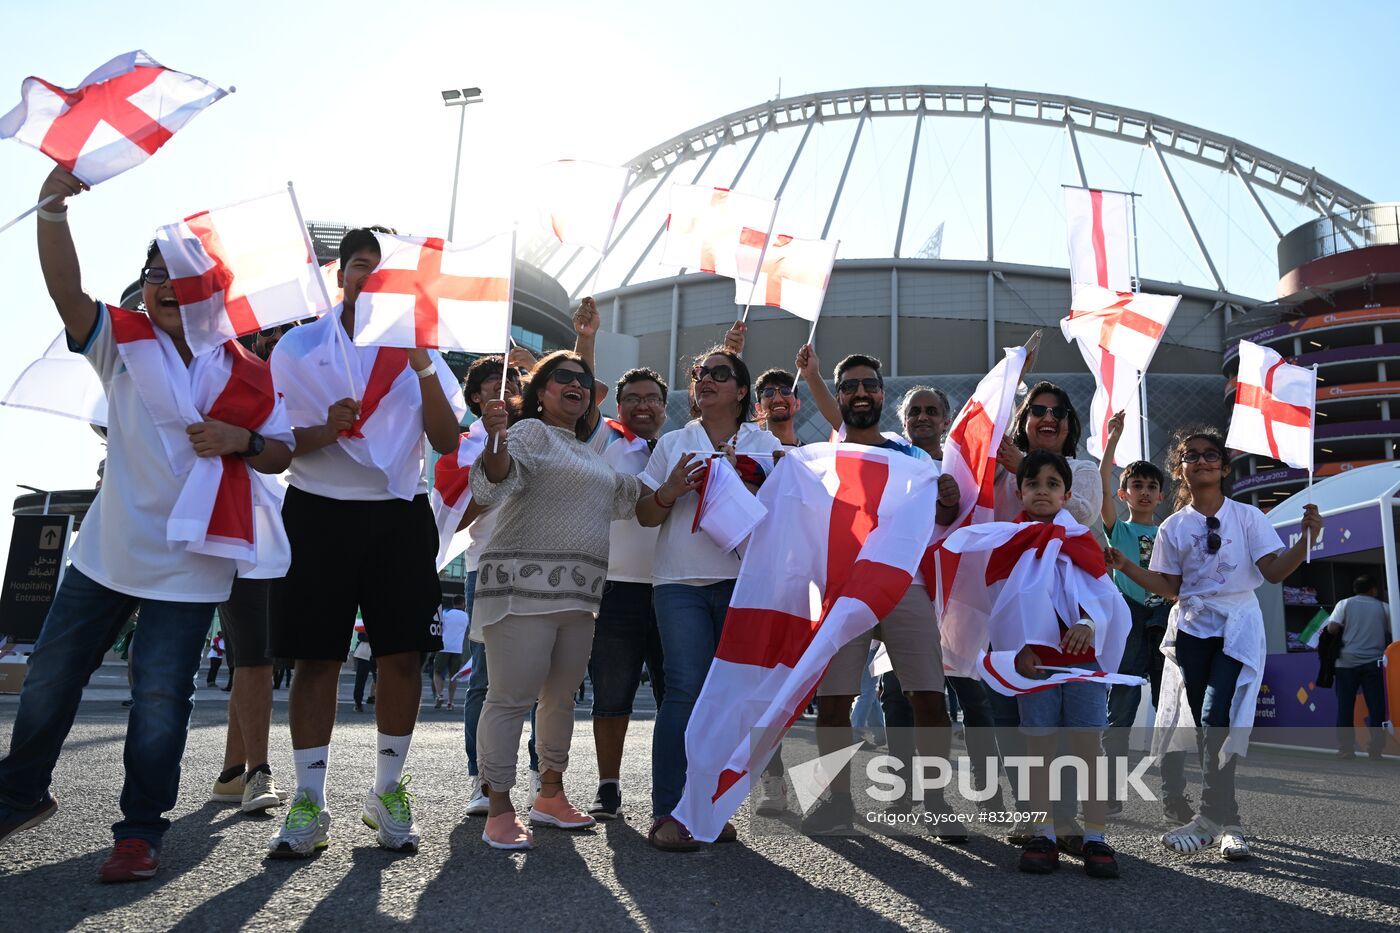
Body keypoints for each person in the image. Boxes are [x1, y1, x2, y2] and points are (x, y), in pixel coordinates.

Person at [0, 167, 294, 882]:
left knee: (161, 698)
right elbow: (66, 292)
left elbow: (281, 452)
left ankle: (138, 832)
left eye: (179, 273)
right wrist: (51, 209)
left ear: (213, 289)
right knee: (49, 679)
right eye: (153, 271)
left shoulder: (251, 374)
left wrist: (241, 440)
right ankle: (19, 794)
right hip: (106, 552)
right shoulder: (122, 341)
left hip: (193, 562)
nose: (163, 283)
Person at [266, 226, 466, 858]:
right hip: (317, 512)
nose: (371, 278)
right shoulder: (300, 346)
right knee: (316, 659)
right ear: (340, 274)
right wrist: (327, 430)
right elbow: (275, 447)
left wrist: (422, 362)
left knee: (402, 658)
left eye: (384, 271)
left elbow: (446, 441)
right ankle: (309, 799)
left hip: (398, 514)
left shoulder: (421, 352)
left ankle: (387, 791)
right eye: (360, 266)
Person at [1107, 426, 1322, 862]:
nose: (1201, 460)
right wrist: (1126, 565)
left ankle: (1211, 819)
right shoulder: (1173, 526)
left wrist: (1306, 541)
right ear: (1180, 469)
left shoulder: (1248, 517)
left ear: (1224, 467)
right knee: (1208, 726)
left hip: (1237, 626)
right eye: (1191, 455)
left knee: (1216, 714)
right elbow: (1170, 587)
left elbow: (1273, 572)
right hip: (1191, 630)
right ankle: (1230, 823)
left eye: (1210, 455)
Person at [470, 351, 644, 850]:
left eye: (583, 380)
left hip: (579, 598)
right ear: (540, 392)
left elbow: (635, 497)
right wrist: (497, 435)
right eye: (562, 377)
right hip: (521, 591)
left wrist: (676, 482)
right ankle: (498, 807)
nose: (576, 384)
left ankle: (550, 794)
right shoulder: (527, 432)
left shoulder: (591, 454)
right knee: (510, 699)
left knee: (561, 700)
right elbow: (496, 478)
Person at [799, 354, 965, 840]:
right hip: (844, 590)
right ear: (840, 396)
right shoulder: (829, 454)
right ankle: (838, 803)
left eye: (869, 385)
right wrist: (810, 377)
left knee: (929, 697)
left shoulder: (911, 456)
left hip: (902, 584)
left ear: (881, 393)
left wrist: (948, 497)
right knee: (834, 702)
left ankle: (935, 802)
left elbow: (942, 515)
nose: (860, 393)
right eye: (850, 386)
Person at [949, 450, 1129, 878]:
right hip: (1035, 665)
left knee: (1087, 748)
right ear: (1019, 491)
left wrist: (1089, 623)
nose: (1042, 491)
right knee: (1039, 748)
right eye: (1033, 484)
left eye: (1052, 484)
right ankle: (1043, 834)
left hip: (1082, 663)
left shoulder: (1080, 538)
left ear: (1066, 494)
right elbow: (1000, 602)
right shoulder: (1009, 542)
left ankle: (1096, 837)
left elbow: (1103, 595)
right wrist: (1016, 650)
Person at [637, 345, 783, 851]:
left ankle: (708, 809)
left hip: (745, 583)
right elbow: (645, 515)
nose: (707, 379)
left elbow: (787, 514)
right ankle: (667, 811)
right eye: (701, 372)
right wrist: (671, 489)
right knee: (684, 690)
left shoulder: (766, 445)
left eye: (721, 373)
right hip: (679, 581)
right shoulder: (674, 442)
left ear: (742, 392)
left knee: (731, 698)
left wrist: (752, 479)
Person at [989, 381, 1101, 849]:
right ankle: (1034, 813)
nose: (1048, 418)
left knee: (1074, 728)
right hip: (1009, 612)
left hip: (1070, 626)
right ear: (1025, 419)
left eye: (1058, 411)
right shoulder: (999, 472)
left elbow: (1084, 517)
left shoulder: (1084, 469)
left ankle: (1067, 817)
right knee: (1014, 715)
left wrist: (1024, 466)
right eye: (1037, 410)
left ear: (1070, 423)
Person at [892, 384, 1006, 816]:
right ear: (904, 421)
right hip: (906, 590)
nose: (922, 417)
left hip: (957, 595)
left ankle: (987, 788)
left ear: (945, 420)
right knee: (897, 693)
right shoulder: (892, 461)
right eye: (914, 411)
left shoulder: (965, 468)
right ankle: (903, 788)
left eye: (931, 411)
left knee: (971, 693)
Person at [583, 367, 669, 820]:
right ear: (618, 407)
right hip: (616, 589)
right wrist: (588, 339)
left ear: (665, 407)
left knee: (675, 697)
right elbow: (585, 394)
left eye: (651, 398)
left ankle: (671, 791)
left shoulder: (678, 448)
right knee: (612, 694)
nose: (642, 406)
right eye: (632, 398)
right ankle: (608, 785)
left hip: (674, 591)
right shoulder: (605, 444)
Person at [456, 354, 538, 818]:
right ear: (475, 397)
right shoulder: (463, 445)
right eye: (493, 384)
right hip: (486, 566)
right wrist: (494, 466)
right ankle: (483, 778)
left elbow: (589, 396)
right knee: (484, 680)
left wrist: (536, 364)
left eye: (512, 384)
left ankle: (538, 778)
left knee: (538, 679)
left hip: (539, 565)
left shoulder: (535, 435)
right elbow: (455, 516)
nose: (503, 391)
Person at [1097, 411, 1185, 821]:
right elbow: (1101, 483)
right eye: (1137, 486)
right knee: (1120, 712)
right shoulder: (1119, 530)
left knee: (1170, 712)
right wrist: (1112, 441)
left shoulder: (1170, 531)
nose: (1145, 492)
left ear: (1162, 495)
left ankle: (1173, 797)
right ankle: (1109, 793)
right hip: (1129, 622)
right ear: (1124, 493)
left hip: (1166, 620)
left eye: (1152, 487)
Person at [209, 578, 288, 814]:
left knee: (250, 657)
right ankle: (258, 772)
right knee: (257, 656)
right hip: (249, 563)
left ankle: (231, 776)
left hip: (260, 564)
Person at [1325, 575, 1391, 759]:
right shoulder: (1384, 607)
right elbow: (1394, 630)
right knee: (1376, 707)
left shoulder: (1344, 604)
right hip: (1374, 662)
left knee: (1345, 706)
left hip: (1346, 662)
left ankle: (1346, 748)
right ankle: (1376, 748)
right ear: (1373, 590)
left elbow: (1332, 628)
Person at [433, 596, 469, 711]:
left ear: (453, 603)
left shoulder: (446, 613)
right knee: (453, 676)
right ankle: (450, 702)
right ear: (462, 603)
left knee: (437, 672)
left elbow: (439, 626)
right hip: (457, 649)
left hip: (444, 647)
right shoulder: (466, 616)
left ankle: (439, 695)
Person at [351, 632, 375, 713]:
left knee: (379, 679)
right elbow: (360, 636)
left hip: (376, 657)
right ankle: (358, 703)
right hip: (364, 655)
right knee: (360, 680)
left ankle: (380, 702)